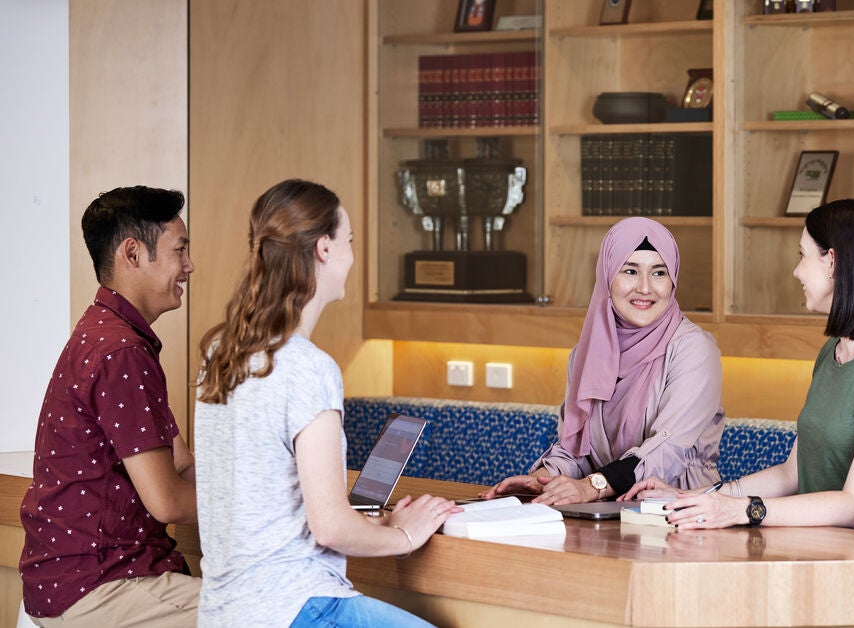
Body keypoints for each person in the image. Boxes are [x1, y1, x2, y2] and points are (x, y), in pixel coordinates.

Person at [192, 179, 457, 628]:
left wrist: (372, 525)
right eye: (348, 241)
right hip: (296, 606)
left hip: (223, 613)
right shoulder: (307, 368)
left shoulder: (221, 353)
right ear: (324, 249)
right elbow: (330, 526)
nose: (352, 256)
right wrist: (405, 533)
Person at [624, 199, 854, 536]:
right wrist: (694, 497)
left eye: (802, 255)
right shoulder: (834, 351)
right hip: (819, 542)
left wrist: (744, 511)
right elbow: (792, 474)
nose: (797, 272)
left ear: (832, 262)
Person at [19, 186, 201, 626]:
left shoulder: (106, 331)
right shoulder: (121, 350)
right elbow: (167, 501)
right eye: (180, 250)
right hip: (100, 583)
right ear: (133, 254)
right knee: (276, 611)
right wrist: (266, 505)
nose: (189, 266)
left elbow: (178, 459)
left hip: (76, 576)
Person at [482, 216, 724, 505]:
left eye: (659, 273)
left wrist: (590, 486)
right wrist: (541, 481)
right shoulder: (585, 353)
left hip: (683, 513)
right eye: (630, 271)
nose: (645, 288)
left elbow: (666, 451)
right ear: (607, 277)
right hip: (606, 513)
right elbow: (574, 449)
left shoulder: (694, 350)